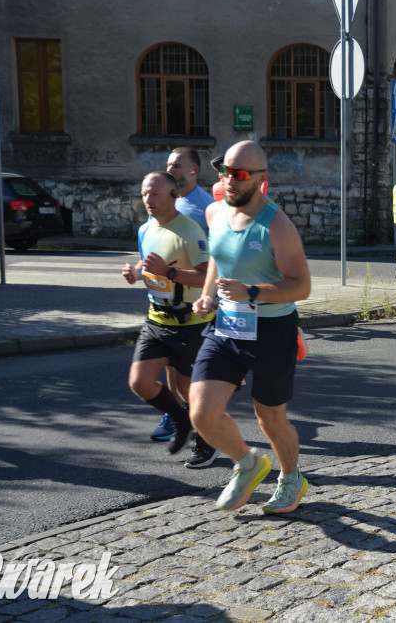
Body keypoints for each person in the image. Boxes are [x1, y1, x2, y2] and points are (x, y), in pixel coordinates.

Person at [189, 140, 313, 514]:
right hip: (226, 325)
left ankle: (291, 477)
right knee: (200, 413)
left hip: (272, 331)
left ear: (261, 179)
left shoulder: (277, 225)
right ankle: (247, 464)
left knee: (270, 417)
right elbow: (216, 258)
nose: (230, 180)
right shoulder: (213, 213)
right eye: (225, 171)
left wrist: (253, 290)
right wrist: (207, 295)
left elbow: (302, 287)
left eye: (240, 175)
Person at [122, 172, 213, 462]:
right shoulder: (145, 229)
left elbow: (206, 277)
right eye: (145, 193)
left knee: (189, 391)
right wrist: (136, 273)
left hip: (189, 325)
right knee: (140, 382)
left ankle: (207, 442)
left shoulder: (190, 232)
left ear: (174, 195)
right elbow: (148, 262)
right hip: (156, 320)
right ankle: (181, 420)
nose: (148, 199)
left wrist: (170, 273)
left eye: (155, 194)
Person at [146, 147, 220, 467]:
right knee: (172, 369)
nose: (170, 168)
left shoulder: (206, 208)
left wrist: (211, 294)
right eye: (167, 164)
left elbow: (217, 257)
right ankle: (176, 415)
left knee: (191, 377)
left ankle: (205, 432)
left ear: (193, 170)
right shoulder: (164, 202)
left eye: (177, 164)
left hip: (197, 304)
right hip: (164, 303)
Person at [166, 147, 216, 234]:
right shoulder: (161, 200)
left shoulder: (208, 207)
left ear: (194, 170)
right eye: (168, 165)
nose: (169, 170)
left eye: (176, 166)